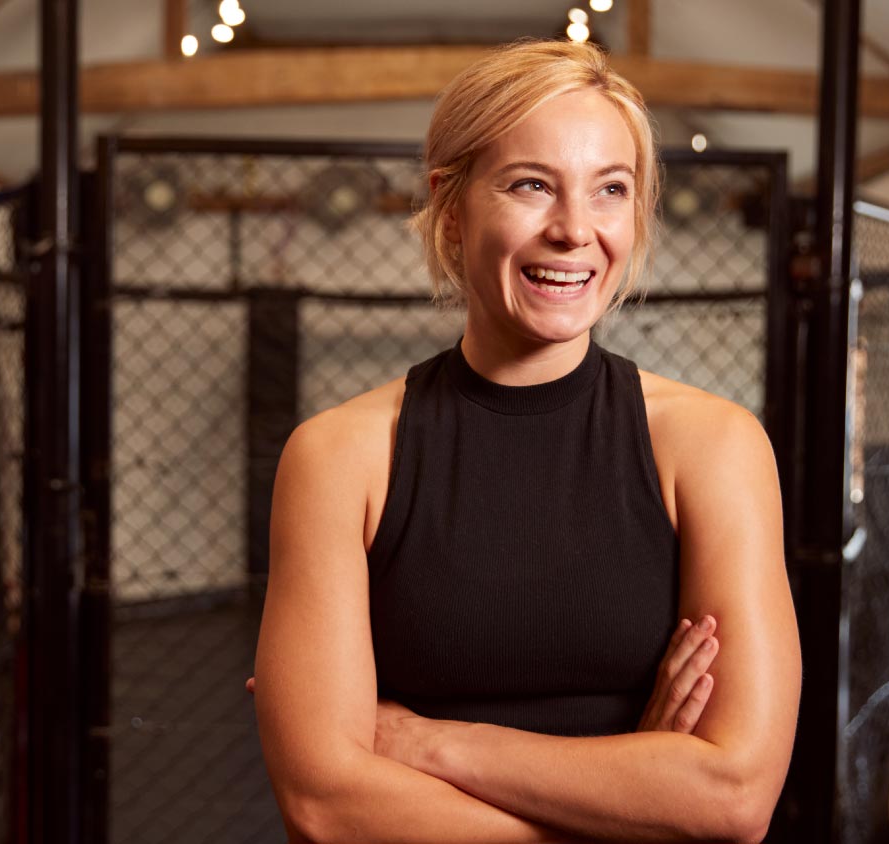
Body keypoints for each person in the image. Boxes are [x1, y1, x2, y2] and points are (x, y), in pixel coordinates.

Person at [248, 37, 801, 844]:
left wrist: (427, 743)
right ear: (452, 202)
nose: (575, 230)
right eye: (531, 185)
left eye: (610, 189)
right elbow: (327, 807)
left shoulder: (713, 447)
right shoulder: (340, 458)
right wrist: (630, 802)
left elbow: (733, 796)